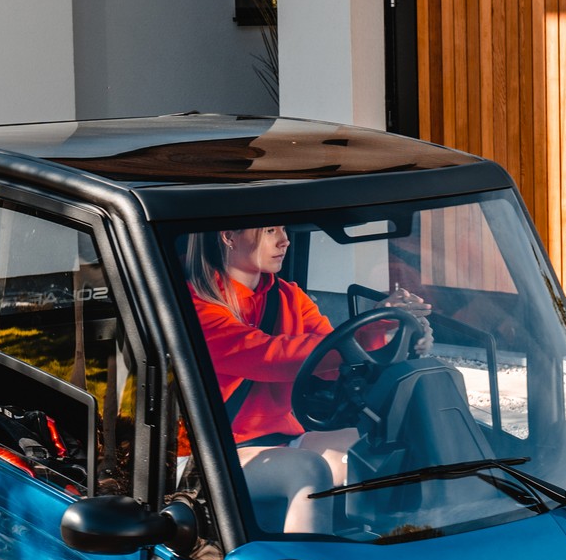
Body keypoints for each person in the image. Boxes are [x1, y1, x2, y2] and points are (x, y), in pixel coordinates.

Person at [183, 225, 429, 531]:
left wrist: (395, 333)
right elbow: (273, 357)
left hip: (283, 440)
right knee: (309, 470)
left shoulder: (288, 296)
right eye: (270, 230)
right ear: (229, 236)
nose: (284, 240)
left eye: (283, 228)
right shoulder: (196, 307)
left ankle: (405, 552)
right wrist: (365, 333)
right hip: (214, 454)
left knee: (391, 442)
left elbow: (339, 356)